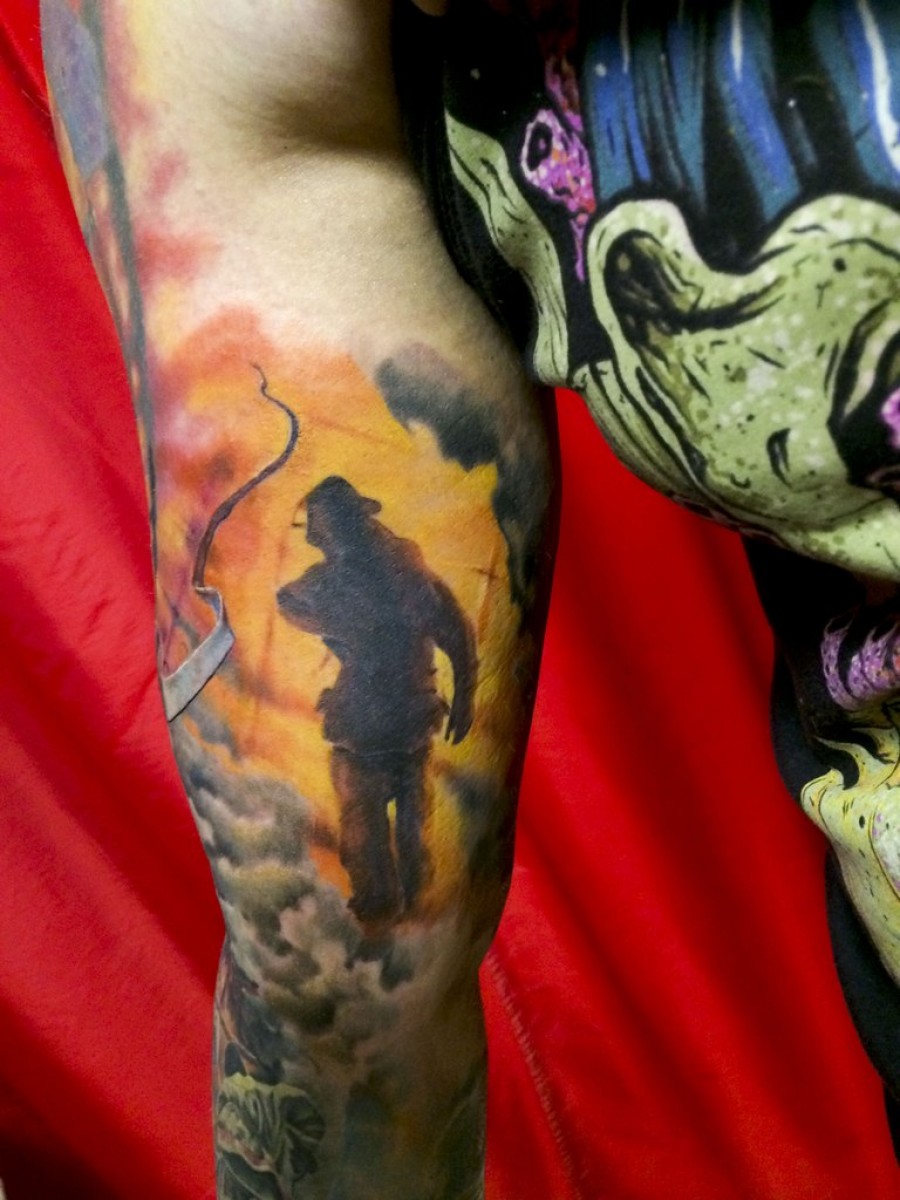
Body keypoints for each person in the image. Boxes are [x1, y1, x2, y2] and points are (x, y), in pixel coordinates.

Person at [38, 0, 900, 1196]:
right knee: (376, 859)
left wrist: (430, 691)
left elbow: (426, 635)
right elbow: (347, 973)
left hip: (389, 727)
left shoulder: (365, 571)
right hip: (366, 740)